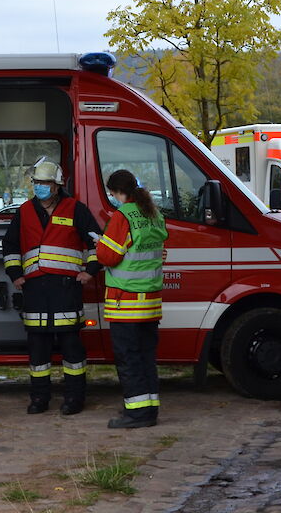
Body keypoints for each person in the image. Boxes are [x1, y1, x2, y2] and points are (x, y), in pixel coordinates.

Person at [2, 160, 101, 415]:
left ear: (57, 186)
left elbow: (96, 243)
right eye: (36, 183)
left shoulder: (75, 209)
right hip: (35, 289)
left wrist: (89, 272)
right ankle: (39, 399)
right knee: (38, 348)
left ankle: (74, 399)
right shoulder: (24, 211)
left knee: (71, 347)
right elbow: (10, 245)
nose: (40, 187)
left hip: (66, 289)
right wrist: (15, 274)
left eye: (45, 183)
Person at [96, 169, 168, 429]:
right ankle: (149, 409)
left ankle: (136, 413)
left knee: (129, 359)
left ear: (117, 193)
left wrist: (99, 245)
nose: (112, 198)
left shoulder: (123, 215)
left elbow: (109, 256)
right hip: (150, 302)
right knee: (146, 357)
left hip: (125, 302)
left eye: (112, 194)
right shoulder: (154, 214)